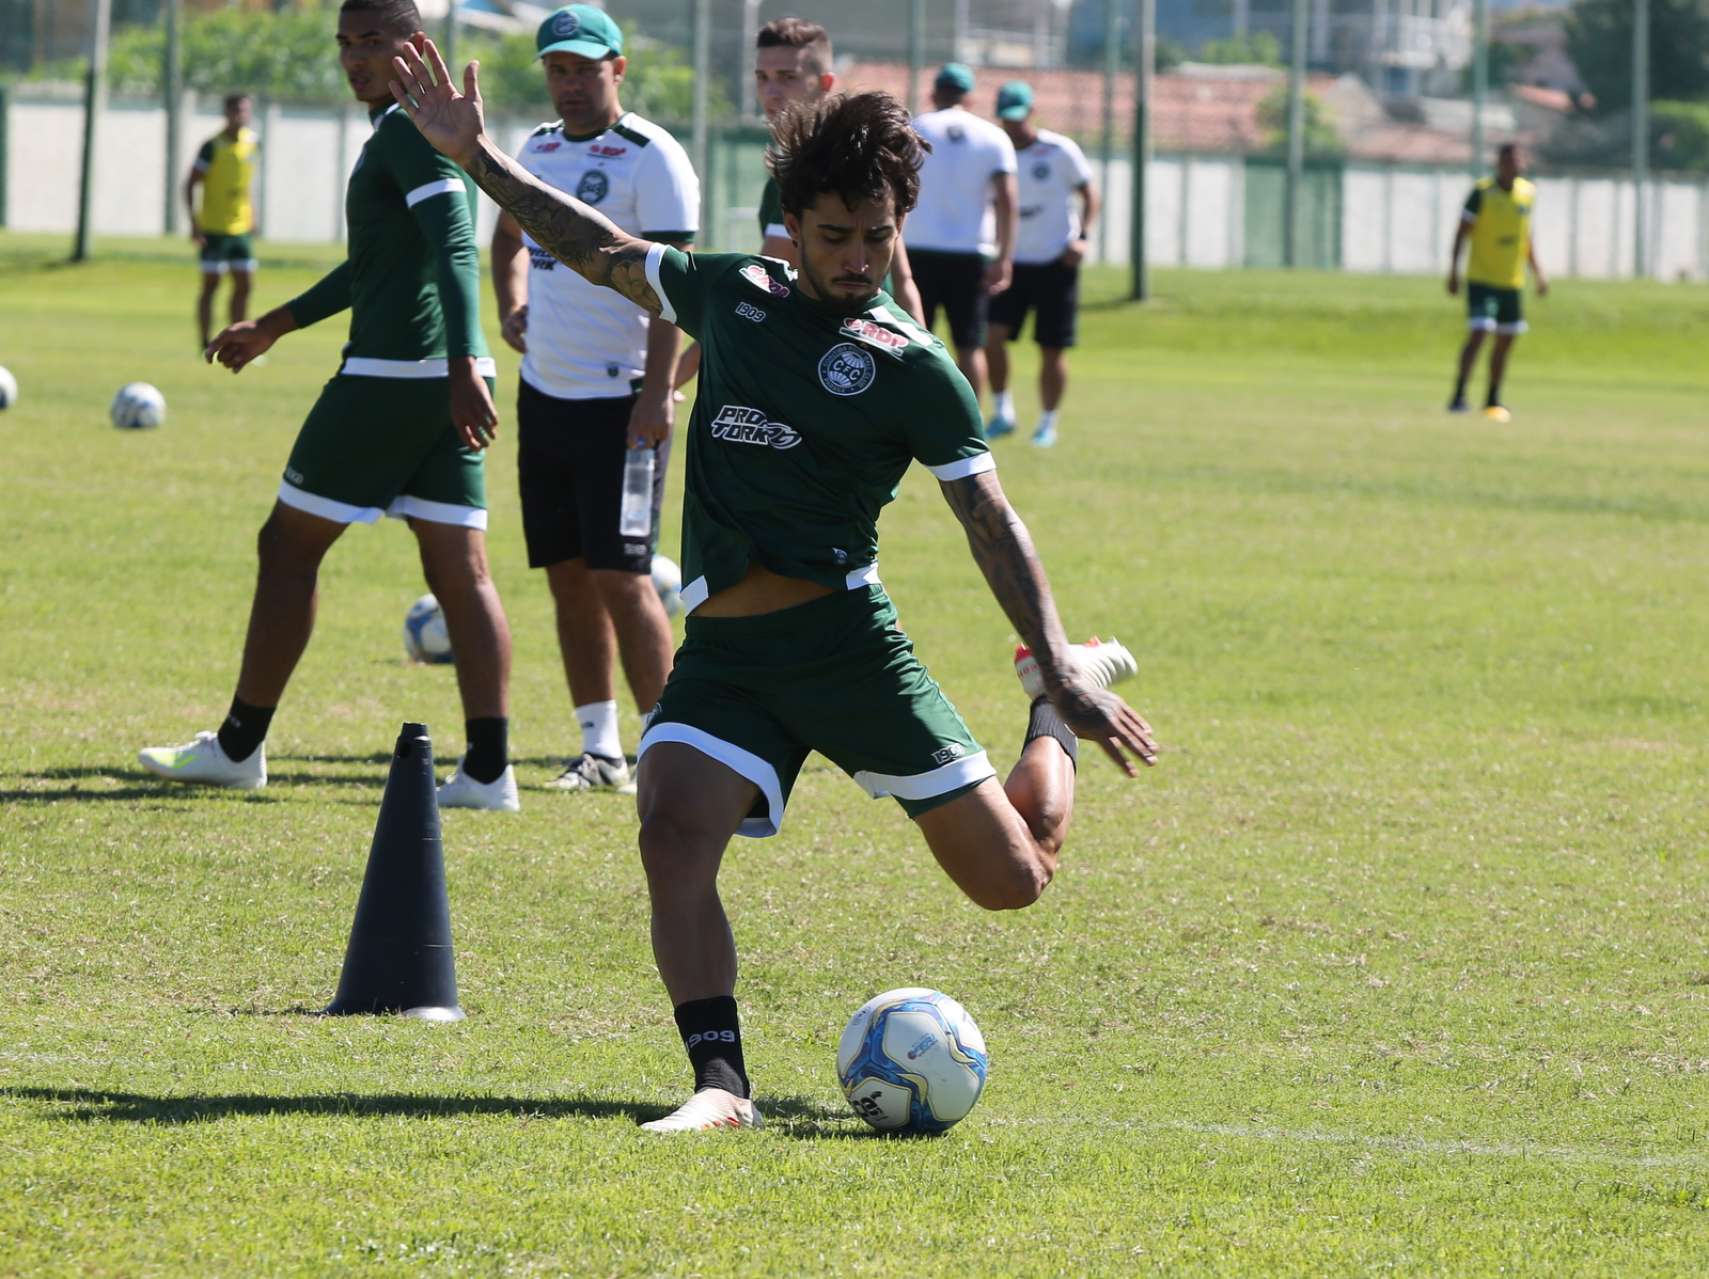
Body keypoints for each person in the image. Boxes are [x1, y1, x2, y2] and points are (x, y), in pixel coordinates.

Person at [390, 40, 1159, 1132]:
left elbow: (989, 517)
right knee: (669, 829)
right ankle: (719, 1084)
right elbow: (598, 247)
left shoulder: (910, 367)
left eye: (875, 238)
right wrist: (476, 159)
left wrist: (1055, 662)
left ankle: (1047, 695)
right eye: (833, 235)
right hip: (730, 660)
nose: (854, 257)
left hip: (848, 650)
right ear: (790, 226)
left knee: (1014, 879)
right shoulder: (730, 295)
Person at [139, 0, 519, 812]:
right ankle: (490, 769)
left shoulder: (408, 131)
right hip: (440, 375)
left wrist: (459, 362)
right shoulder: (406, 129)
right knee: (460, 570)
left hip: (394, 379)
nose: (353, 57)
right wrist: (275, 324)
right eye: (345, 43)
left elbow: (456, 242)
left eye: (372, 41)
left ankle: (238, 746)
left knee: (286, 544)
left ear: (413, 45)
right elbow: (376, 266)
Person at [492, 5, 699, 794]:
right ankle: (599, 747)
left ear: (617, 67)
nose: (569, 83)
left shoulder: (652, 157)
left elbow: (670, 290)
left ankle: (672, 751)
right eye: (556, 69)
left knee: (624, 576)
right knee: (567, 576)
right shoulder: (537, 149)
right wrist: (512, 302)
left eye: (583, 68)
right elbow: (509, 237)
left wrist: (656, 396)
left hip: (624, 407)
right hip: (545, 393)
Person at [754, 18, 922, 322]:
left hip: (835, 349)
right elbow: (905, 281)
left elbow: (760, 288)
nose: (771, 92)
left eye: (787, 77)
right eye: (762, 78)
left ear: (825, 83)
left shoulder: (809, 174)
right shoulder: (853, 158)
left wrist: (676, 370)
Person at [983, 81, 1097, 450]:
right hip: (1010, 262)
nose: (1012, 126)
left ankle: (1048, 423)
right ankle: (1003, 412)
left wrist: (1083, 237)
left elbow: (1090, 193)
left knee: (1051, 347)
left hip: (1055, 262)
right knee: (992, 336)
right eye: (1006, 119)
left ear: (1032, 112)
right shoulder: (994, 152)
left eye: (1018, 117)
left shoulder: (1059, 150)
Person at [904, 63, 1017, 405]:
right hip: (971, 252)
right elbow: (1007, 201)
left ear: (933, 93)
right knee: (969, 345)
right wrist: (1005, 257)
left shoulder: (914, 128)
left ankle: (911, 416)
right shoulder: (993, 136)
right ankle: (970, 423)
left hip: (916, 250)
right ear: (970, 98)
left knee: (911, 339)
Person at [1447, 143, 1548, 422]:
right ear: (1499, 163)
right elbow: (1462, 232)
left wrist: (1538, 273)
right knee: (1479, 333)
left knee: (1505, 340)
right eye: (1508, 160)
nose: (1513, 164)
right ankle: (1458, 395)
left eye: (1518, 159)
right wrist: (1453, 271)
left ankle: (1493, 398)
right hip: (1481, 278)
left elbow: (1526, 237)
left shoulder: (1527, 194)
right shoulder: (1482, 193)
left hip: (1511, 281)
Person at [185, 93, 260, 352]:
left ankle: (237, 341)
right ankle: (205, 342)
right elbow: (190, 183)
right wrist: (194, 223)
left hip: (240, 228)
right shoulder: (212, 146)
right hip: (214, 229)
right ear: (226, 113)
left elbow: (245, 184)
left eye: (245, 110)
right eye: (236, 110)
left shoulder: (252, 142)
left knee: (245, 284)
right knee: (211, 285)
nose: (241, 115)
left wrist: (253, 216)